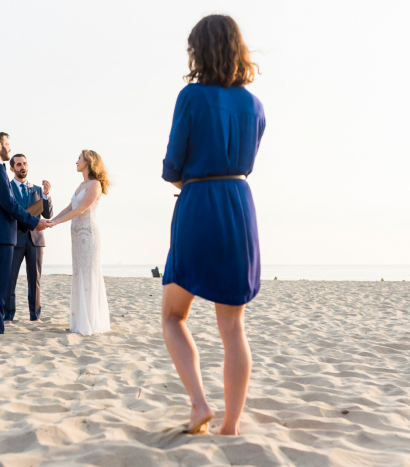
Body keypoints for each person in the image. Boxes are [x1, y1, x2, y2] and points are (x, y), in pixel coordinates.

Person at [160, 15, 265, 436]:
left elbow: (172, 164)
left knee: (172, 316)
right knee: (233, 327)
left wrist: (187, 179)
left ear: (198, 51)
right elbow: (248, 161)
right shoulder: (254, 105)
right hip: (238, 205)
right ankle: (232, 425)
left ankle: (200, 404)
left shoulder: (191, 97)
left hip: (199, 201)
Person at [0, 130, 52, 335]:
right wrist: (33, 222)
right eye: (7, 144)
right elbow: (9, 205)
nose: (9, 148)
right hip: (2, 235)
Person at [51, 150, 110, 335]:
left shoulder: (94, 185)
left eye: (79, 158)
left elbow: (81, 210)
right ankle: (79, 321)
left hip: (88, 236)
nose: (76, 161)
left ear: (88, 161)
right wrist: (50, 221)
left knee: (88, 274)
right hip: (76, 237)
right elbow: (70, 207)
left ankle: (89, 322)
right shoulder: (81, 185)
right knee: (78, 274)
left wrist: (56, 223)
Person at [4, 153, 53, 322]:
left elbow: (47, 214)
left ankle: (35, 316)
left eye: (24, 164)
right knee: (10, 280)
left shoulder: (38, 190)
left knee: (35, 280)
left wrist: (46, 195)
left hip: (36, 240)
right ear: (12, 169)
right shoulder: (7, 188)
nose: (22, 167)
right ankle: (8, 316)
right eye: (18, 164)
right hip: (15, 239)